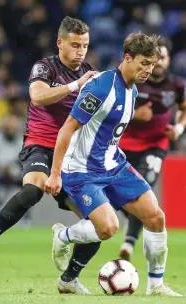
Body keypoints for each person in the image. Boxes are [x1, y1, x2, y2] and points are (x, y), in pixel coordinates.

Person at [0, 16, 100, 295]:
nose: (80, 51)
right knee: (32, 190)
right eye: (75, 45)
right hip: (40, 145)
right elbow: (38, 97)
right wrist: (76, 86)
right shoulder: (45, 67)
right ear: (60, 43)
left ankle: (69, 278)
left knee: (98, 222)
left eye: (84, 45)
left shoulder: (91, 74)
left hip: (71, 156)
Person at [45, 32, 183, 297]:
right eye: (143, 63)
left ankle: (156, 286)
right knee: (107, 228)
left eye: (152, 64)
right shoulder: (101, 86)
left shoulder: (133, 88)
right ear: (127, 58)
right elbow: (67, 129)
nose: (148, 70)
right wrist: (55, 174)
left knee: (156, 217)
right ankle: (63, 236)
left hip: (113, 165)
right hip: (82, 170)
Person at [118, 38, 186, 261]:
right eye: (155, 59)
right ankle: (136, 219)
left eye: (163, 58)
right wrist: (136, 116)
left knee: (143, 187)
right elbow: (114, 109)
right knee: (119, 194)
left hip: (155, 145)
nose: (158, 63)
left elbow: (184, 110)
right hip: (124, 144)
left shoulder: (176, 85)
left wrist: (179, 128)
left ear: (168, 61)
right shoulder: (135, 80)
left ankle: (129, 243)